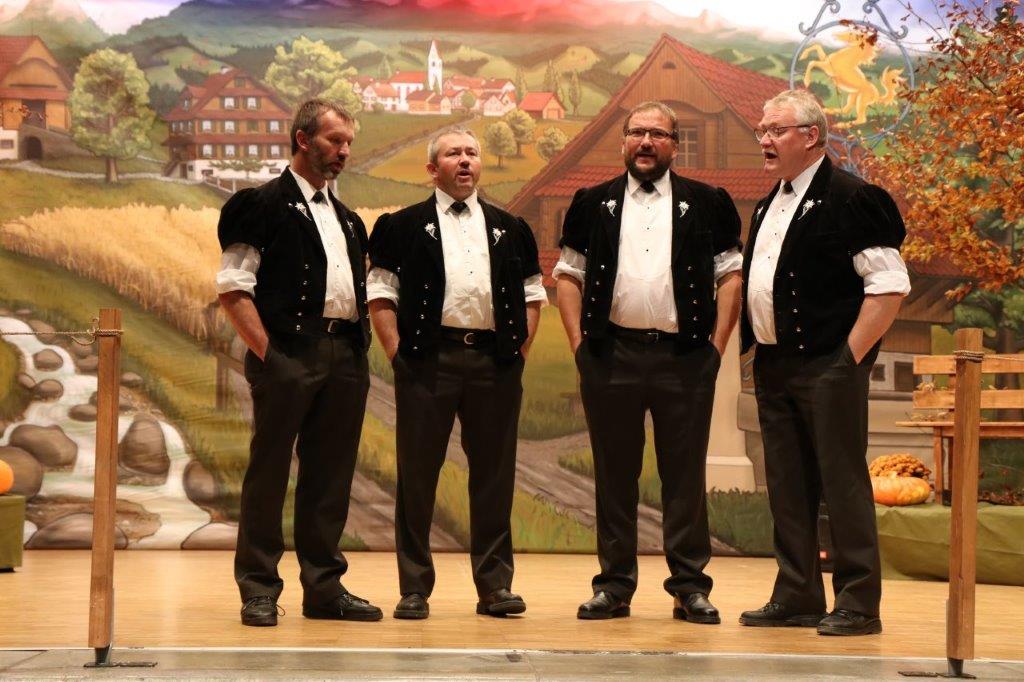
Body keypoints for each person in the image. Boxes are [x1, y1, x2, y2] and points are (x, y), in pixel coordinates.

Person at [553, 101, 743, 622]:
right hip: (610, 355)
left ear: (674, 146)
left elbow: (730, 277)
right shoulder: (591, 202)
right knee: (615, 474)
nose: (646, 141)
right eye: (637, 132)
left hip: (685, 357)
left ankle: (690, 586)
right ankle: (614, 586)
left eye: (658, 134)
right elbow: (567, 276)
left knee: (684, 476)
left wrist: (716, 347)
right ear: (623, 140)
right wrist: (579, 345)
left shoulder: (708, 202)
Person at [738, 89, 909, 636]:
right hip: (774, 365)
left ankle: (858, 602)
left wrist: (847, 360)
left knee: (842, 484)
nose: (764, 140)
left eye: (776, 130)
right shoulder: (770, 202)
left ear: (811, 136)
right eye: (762, 130)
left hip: (828, 366)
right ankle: (798, 594)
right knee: (788, 486)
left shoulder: (854, 197)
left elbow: (889, 286)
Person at [367, 128, 545, 620]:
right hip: (428, 361)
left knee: (494, 477)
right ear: (432, 168)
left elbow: (533, 296)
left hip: (495, 363)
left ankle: (495, 587)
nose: (464, 160)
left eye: (471, 153)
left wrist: (519, 352)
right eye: (453, 153)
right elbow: (380, 294)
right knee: (417, 476)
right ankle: (414, 588)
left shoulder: (511, 227)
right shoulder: (401, 226)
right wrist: (398, 354)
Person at [216, 99, 382, 626]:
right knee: (269, 472)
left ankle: (324, 588)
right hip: (289, 353)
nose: (344, 151)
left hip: (344, 355)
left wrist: (356, 351)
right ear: (303, 139)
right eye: (335, 141)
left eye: (349, 143)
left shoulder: (348, 219)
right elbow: (233, 289)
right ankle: (259, 588)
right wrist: (272, 356)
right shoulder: (260, 204)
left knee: (331, 475)